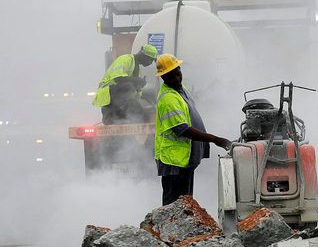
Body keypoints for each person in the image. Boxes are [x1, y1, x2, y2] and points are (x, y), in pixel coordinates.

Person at [154, 53, 232, 205]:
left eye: (178, 73)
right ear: (163, 77)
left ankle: (183, 227)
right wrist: (216, 139)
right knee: (173, 205)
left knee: (186, 202)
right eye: (172, 76)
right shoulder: (168, 98)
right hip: (173, 161)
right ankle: (169, 228)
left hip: (184, 160)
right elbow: (183, 130)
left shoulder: (180, 90)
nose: (177, 78)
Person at [92, 45, 158, 124]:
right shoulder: (126, 59)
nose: (150, 63)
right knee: (129, 88)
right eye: (151, 60)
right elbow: (118, 79)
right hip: (109, 95)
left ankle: (121, 118)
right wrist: (136, 80)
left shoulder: (136, 67)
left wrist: (142, 90)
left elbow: (134, 91)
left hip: (118, 100)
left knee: (140, 115)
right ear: (144, 56)